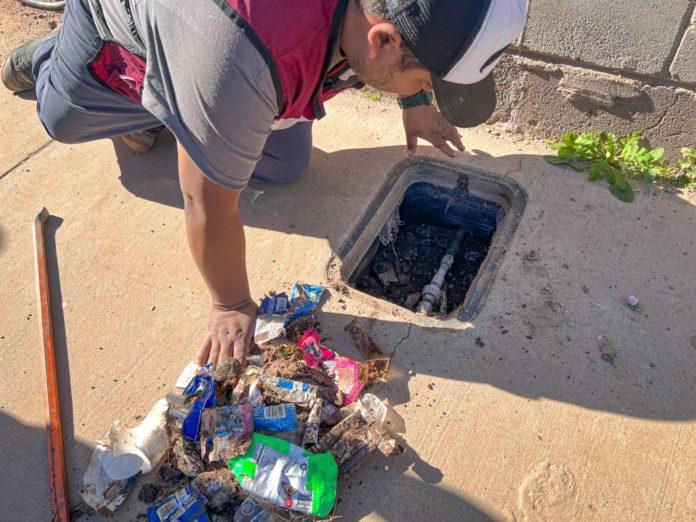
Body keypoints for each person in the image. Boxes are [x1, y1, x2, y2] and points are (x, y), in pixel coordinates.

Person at [2, 0, 526, 367]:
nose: (425, 93)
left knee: (283, 164)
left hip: (215, 54)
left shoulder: (361, 26)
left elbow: (402, 32)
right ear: (382, 38)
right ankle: (56, 60)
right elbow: (204, 203)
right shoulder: (238, 62)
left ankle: (174, 100)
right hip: (119, 26)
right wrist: (230, 303)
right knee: (61, 117)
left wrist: (412, 101)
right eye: (425, 84)